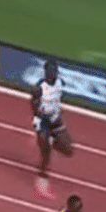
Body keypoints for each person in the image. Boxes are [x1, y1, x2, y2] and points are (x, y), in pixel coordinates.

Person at [30, 60, 73, 200]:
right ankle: (42, 177)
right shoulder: (39, 88)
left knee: (68, 150)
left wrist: (57, 112)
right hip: (43, 122)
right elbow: (34, 107)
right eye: (49, 73)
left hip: (55, 119)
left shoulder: (60, 83)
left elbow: (58, 99)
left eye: (53, 73)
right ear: (45, 73)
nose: (51, 75)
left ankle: (51, 141)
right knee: (45, 154)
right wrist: (40, 121)